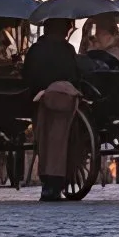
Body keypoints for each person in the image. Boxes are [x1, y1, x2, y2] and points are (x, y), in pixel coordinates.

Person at [24, 17, 90, 201]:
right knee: (63, 142)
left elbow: (27, 76)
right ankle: (57, 182)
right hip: (65, 100)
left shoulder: (35, 50)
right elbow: (74, 75)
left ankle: (48, 183)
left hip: (41, 100)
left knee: (44, 140)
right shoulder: (67, 50)